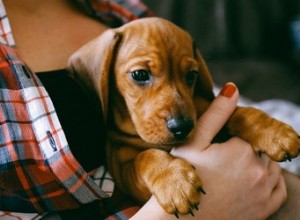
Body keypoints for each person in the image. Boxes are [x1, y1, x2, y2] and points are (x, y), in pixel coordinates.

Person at [0, 0, 298, 219]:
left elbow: (213, 105)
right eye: (141, 76)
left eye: (189, 75)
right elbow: (130, 165)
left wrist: (249, 121)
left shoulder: (117, 8)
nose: (177, 111)